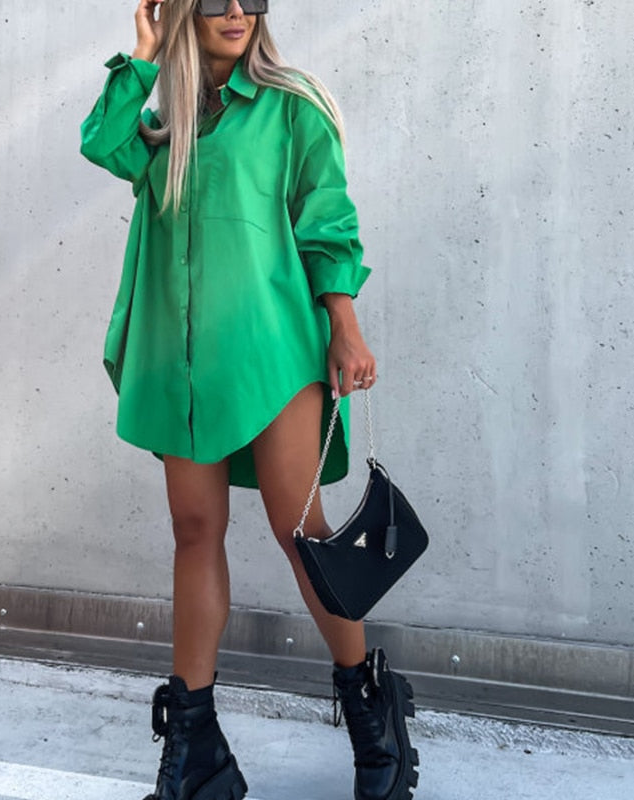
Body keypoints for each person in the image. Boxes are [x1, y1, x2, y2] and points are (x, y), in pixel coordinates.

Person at [80, 1, 419, 798]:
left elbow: (326, 221)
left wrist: (345, 326)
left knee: (301, 532)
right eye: (215, 0)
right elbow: (102, 141)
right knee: (194, 532)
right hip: (182, 362)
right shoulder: (165, 125)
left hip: (273, 353)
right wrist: (145, 54)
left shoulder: (293, 107)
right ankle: (194, 747)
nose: (237, 12)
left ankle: (371, 709)